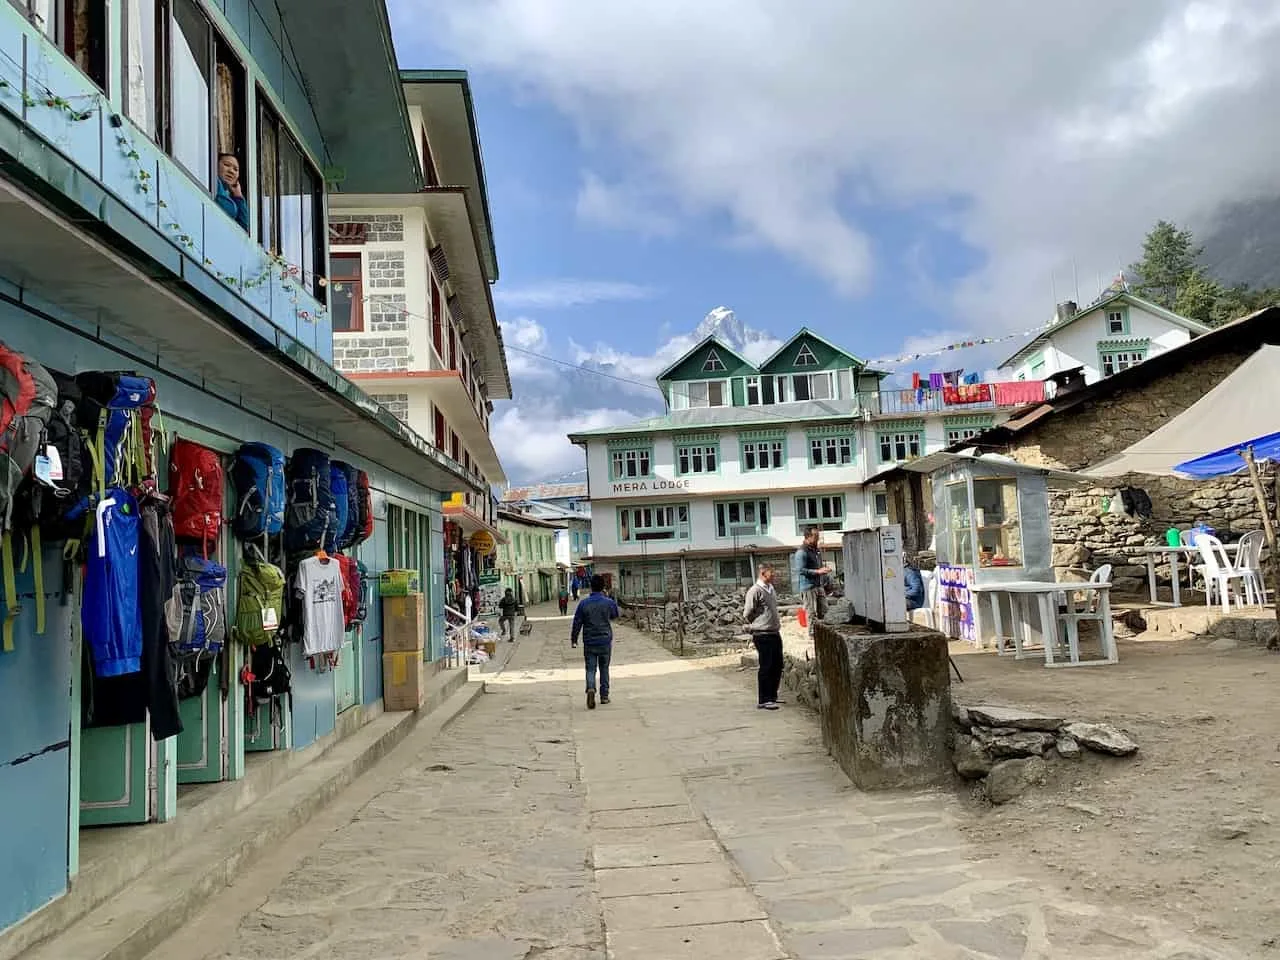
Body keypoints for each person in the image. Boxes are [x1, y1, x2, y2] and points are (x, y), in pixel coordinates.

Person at [570, 574, 618, 709]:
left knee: (590, 668)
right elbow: (615, 615)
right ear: (603, 587)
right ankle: (604, 696)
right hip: (605, 641)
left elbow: (577, 622)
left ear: (591, 587)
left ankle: (591, 688)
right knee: (604, 668)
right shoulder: (608, 602)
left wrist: (574, 639)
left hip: (589, 642)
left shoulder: (583, 604)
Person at [743, 563, 783, 711]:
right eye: (771, 574)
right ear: (763, 574)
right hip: (762, 634)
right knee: (766, 666)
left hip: (774, 632)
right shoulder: (754, 591)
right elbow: (747, 613)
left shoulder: (771, 589)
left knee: (777, 664)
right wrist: (758, 623)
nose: (774, 576)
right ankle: (764, 699)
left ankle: (772, 695)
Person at [793, 526, 831, 634]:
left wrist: (824, 573)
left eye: (818, 536)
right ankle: (812, 634)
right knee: (811, 612)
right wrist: (818, 572)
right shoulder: (802, 552)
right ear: (808, 537)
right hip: (808, 587)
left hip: (818, 585)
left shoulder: (816, 550)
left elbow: (818, 566)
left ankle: (824, 633)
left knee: (824, 610)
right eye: (816, 536)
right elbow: (800, 570)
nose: (818, 538)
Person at [214, 153, 249, 231]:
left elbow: (245, 227)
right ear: (215, 165)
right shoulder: (213, 182)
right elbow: (225, 206)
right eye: (226, 165)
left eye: (235, 169)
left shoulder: (229, 195)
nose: (231, 171)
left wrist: (238, 196)